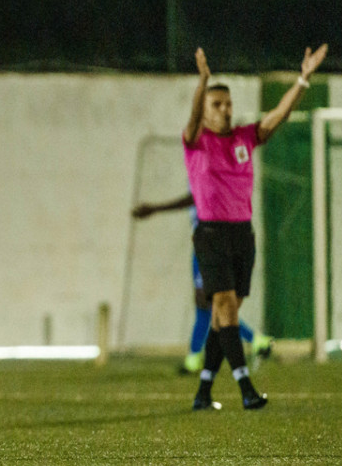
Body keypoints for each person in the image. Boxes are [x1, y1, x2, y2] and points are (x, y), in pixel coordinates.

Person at [184, 45, 327, 411]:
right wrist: (202, 81)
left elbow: (277, 116)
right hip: (212, 234)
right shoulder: (197, 141)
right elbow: (192, 121)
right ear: (204, 110)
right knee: (225, 307)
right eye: (216, 105)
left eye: (228, 103)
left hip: (242, 234)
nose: (225, 109)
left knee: (223, 316)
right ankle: (245, 386)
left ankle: (203, 392)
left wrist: (302, 80)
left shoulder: (244, 138)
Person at [132, 192, 272, 374]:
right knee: (205, 304)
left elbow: (196, 196)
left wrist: (156, 208)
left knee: (210, 301)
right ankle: (195, 357)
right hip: (205, 244)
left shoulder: (204, 169)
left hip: (210, 245)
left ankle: (254, 341)